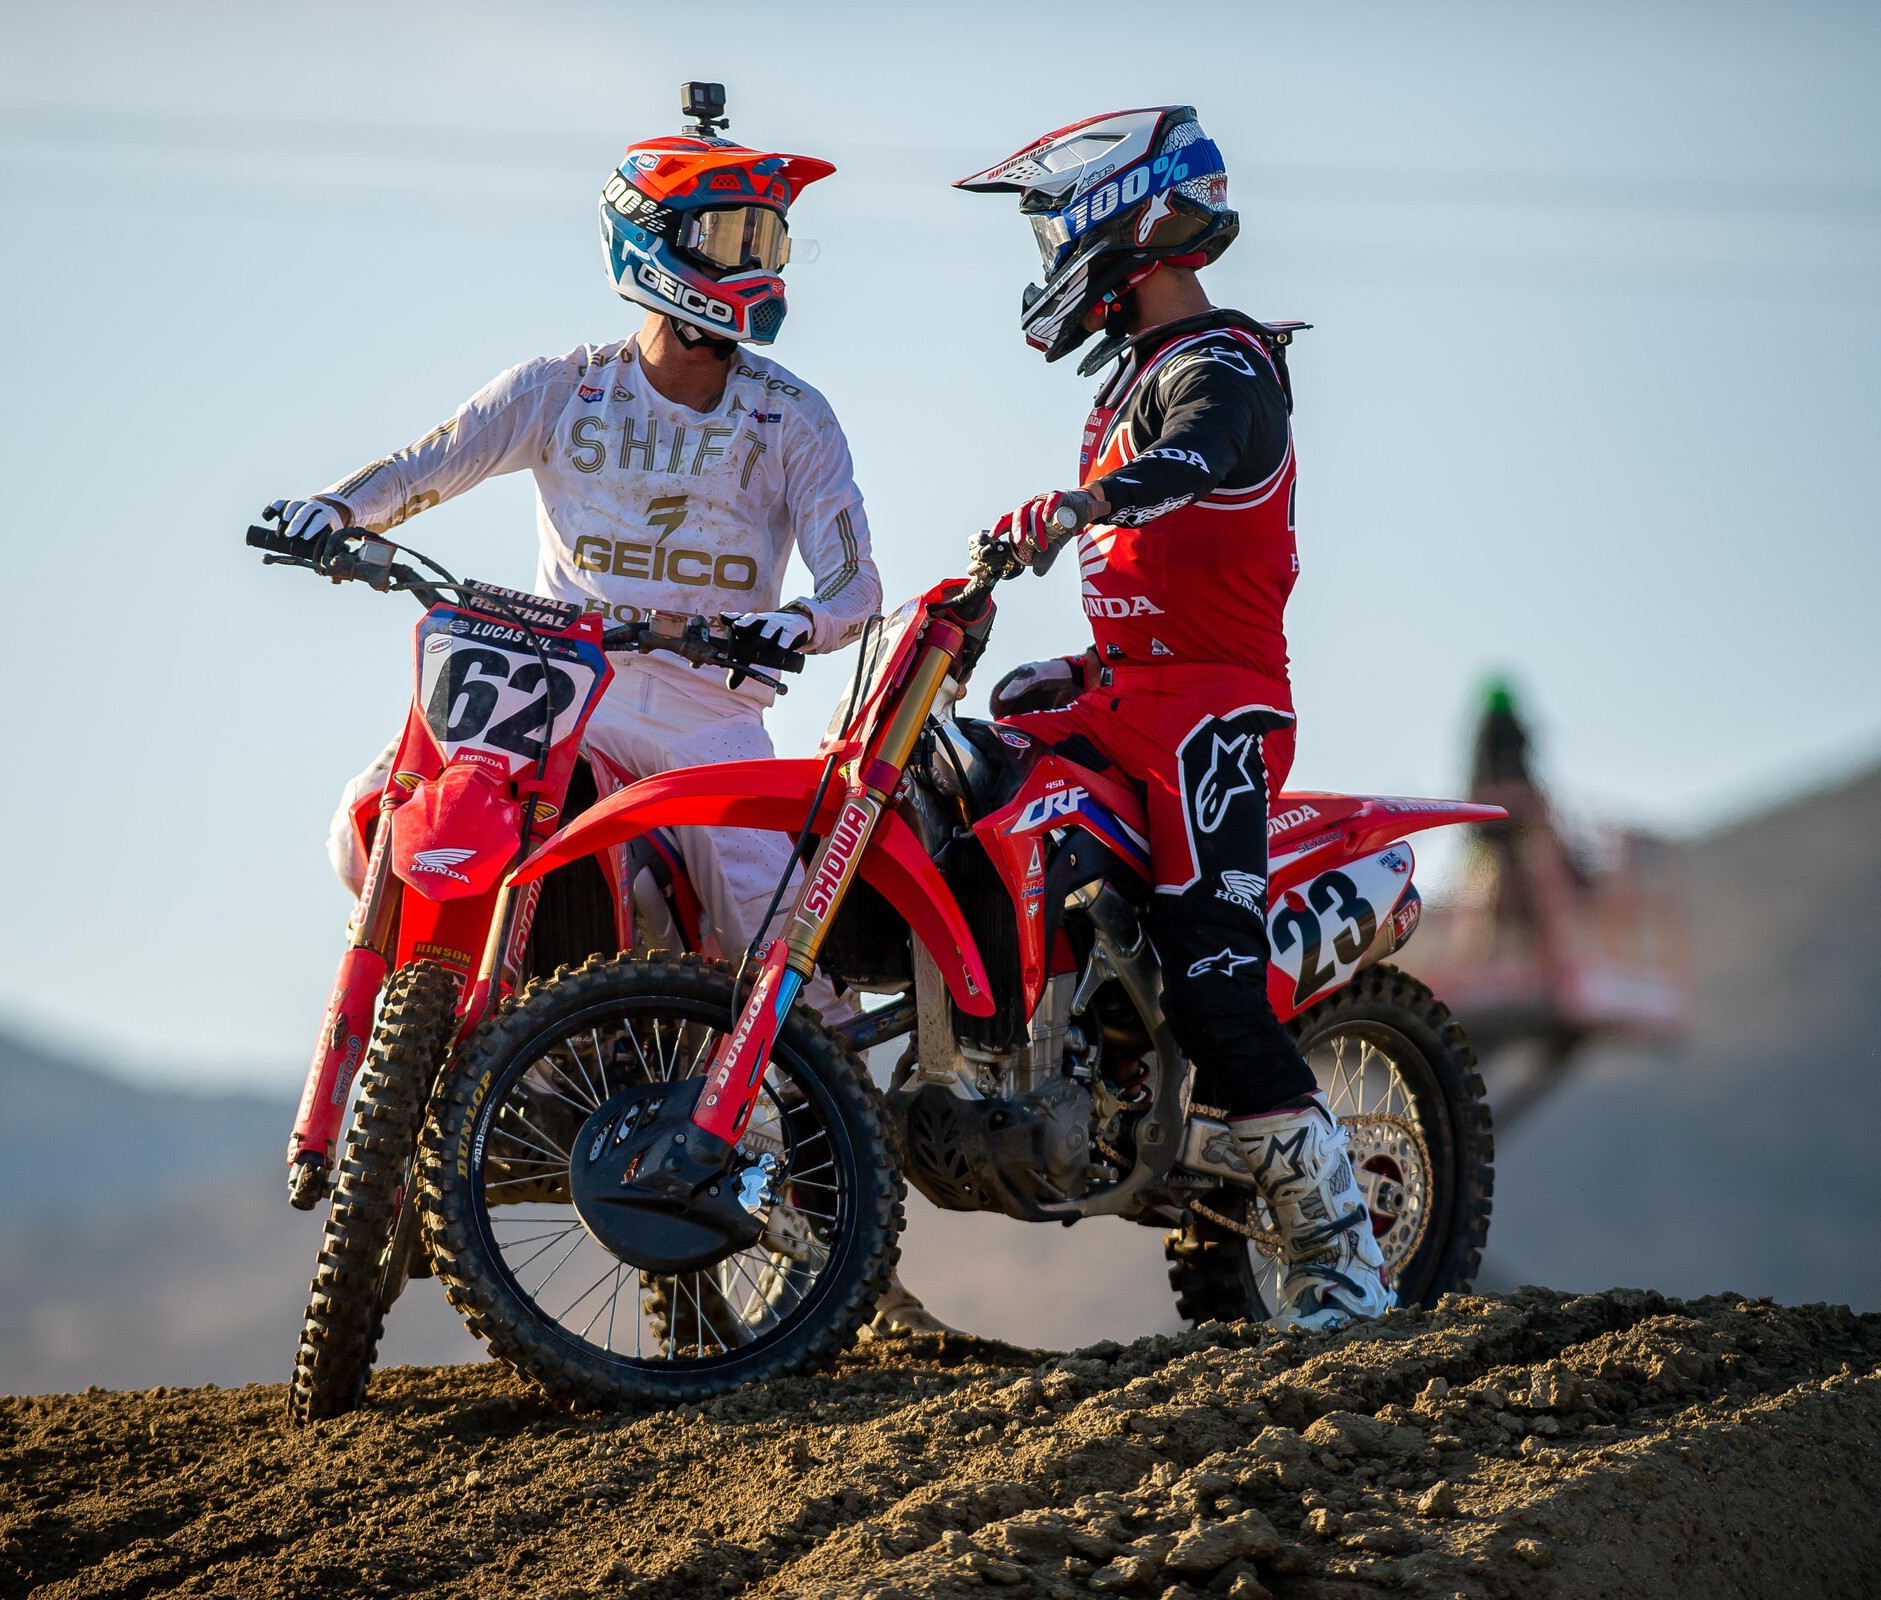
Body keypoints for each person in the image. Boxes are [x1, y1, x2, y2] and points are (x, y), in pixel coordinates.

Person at [265, 88, 949, 1336]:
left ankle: (850, 1231)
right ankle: (435, 1110)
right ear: (646, 244)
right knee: (369, 825)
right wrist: (330, 510)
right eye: (731, 240)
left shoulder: (790, 415)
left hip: (704, 710)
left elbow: (857, 585)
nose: (756, 269)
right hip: (554, 685)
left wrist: (788, 627)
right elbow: (424, 465)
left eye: (768, 245)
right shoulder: (562, 388)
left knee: (771, 941)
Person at [956, 106, 1393, 1331]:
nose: (1048, 256)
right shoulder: (1133, 376)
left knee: (1215, 977)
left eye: (1056, 227)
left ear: (1121, 222)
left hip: (1214, 714)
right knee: (971, 790)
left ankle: (1338, 1255)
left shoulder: (1224, 365)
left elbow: (1201, 457)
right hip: (1126, 692)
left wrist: (1087, 498)